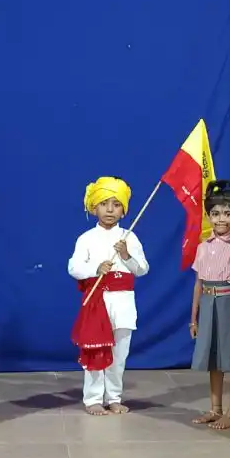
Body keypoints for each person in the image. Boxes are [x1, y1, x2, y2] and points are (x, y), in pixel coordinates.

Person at [67, 177, 149, 415]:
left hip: (122, 303)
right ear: (94, 207)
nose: (110, 209)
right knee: (96, 350)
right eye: (104, 203)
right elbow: (73, 267)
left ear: (124, 209)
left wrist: (126, 256)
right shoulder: (86, 239)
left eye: (116, 204)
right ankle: (92, 399)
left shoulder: (129, 237)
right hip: (97, 302)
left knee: (119, 354)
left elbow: (142, 269)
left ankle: (114, 396)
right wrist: (95, 269)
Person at [188, 180, 230, 431]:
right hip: (208, 303)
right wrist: (194, 317)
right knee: (213, 359)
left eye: (227, 214)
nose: (221, 219)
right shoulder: (203, 246)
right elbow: (198, 283)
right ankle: (215, 408)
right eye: (215, 214)